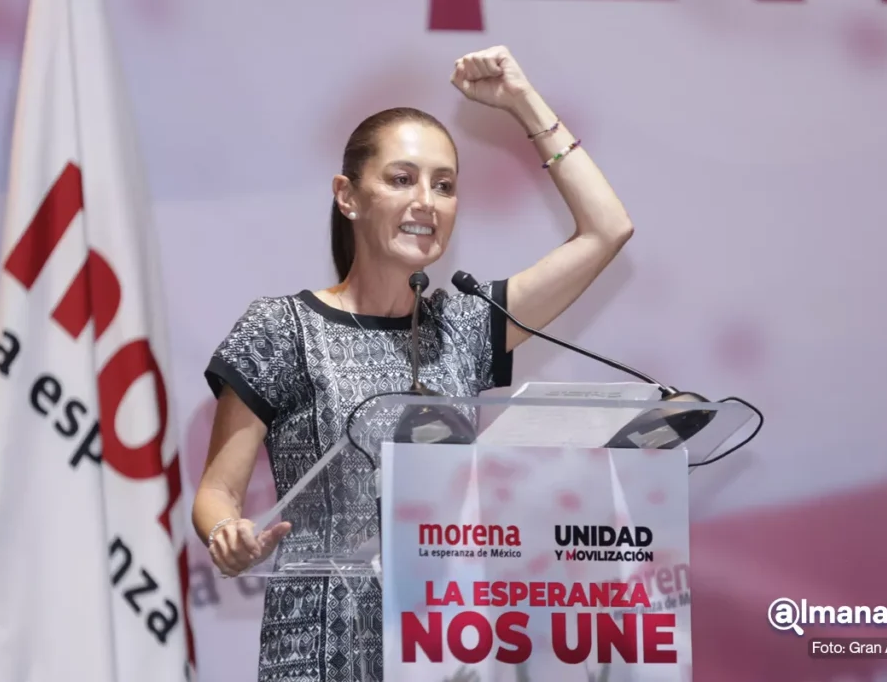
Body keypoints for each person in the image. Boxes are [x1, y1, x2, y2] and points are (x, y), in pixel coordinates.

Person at [191, 45, 635, 682]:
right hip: (320, 651)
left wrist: (521, 101)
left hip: (445, 648)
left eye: (445, 185)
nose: (427, 200)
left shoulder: (465, 324)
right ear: (348, 195)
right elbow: (216, 492)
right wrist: (227, 535)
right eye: (402, 179)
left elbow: (607, 229)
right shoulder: (280, 327)